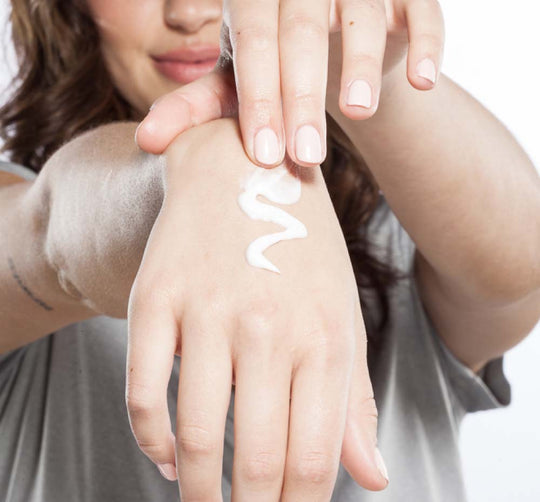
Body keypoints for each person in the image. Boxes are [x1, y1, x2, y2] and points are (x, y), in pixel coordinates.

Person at [0, 0, 538, 501]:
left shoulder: (409, 234)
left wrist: (369, 76)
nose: (189, 12)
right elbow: (48, 226)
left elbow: (522, 261)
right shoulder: (16, 196)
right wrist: (201, 167)